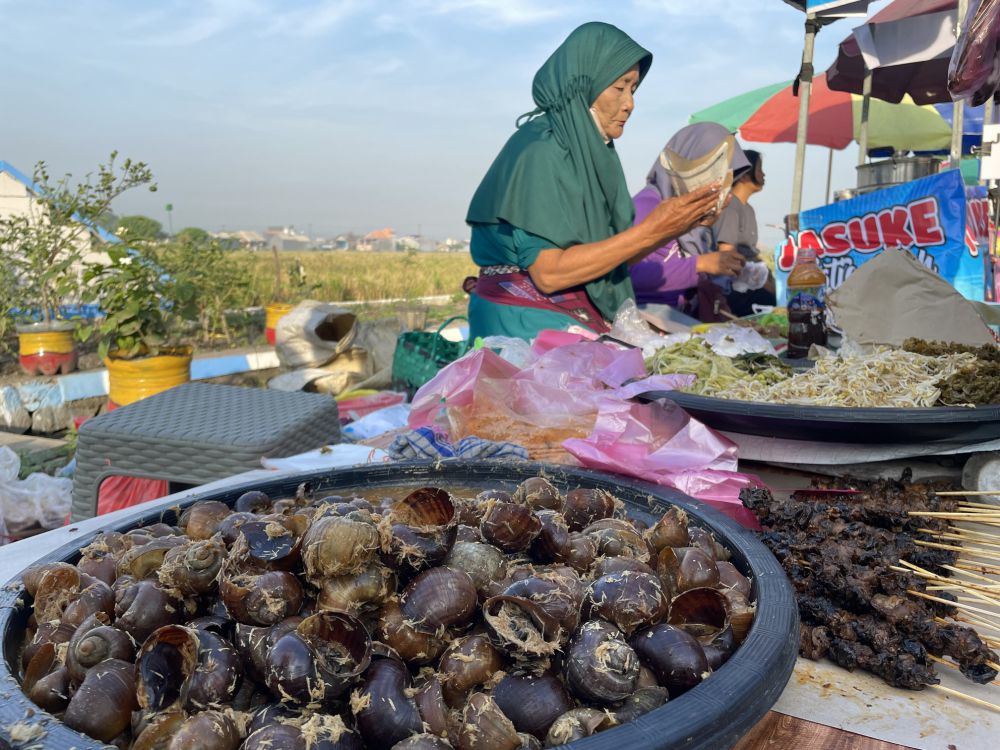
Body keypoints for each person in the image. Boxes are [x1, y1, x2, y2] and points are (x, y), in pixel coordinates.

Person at [464, 22, 723, 341]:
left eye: (634, 89)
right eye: (620, 87)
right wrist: (653, 230)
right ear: (583, 84)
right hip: (525, 330)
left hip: (567, 319)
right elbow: (550, 273)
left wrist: (674, 226)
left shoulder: (590, 153)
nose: (630, 103)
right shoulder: (542, 149)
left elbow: (604, 259)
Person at [630, 122, 750, 321]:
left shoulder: (695, 219)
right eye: (715, 176)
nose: (720, 189)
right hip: (643, 324)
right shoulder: (647, 206)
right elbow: (626, 275)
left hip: (679, 322)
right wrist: (700, 265)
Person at [715, 149, 776, 317]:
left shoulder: (748, 209)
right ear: (743, 174)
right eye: (759, 169)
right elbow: (727, 255)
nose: (763, 174)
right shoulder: (729, 207)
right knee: (775, 305)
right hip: (733, 288)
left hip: (751, 281)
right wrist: (763, 282)